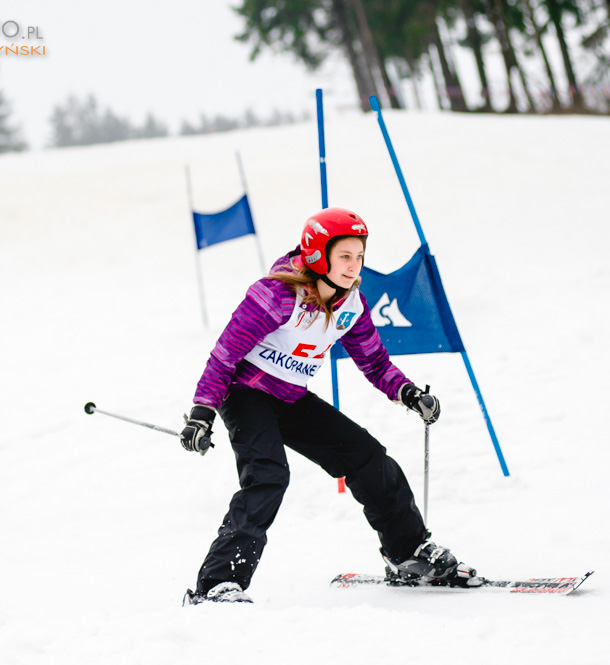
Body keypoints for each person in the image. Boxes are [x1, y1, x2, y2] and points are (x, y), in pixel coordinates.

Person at [180, 207, 477, 605]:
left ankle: (407, 554)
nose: (355, 266)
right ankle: (217, 584)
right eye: (345, 256)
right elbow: (225, 355)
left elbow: (374, 362)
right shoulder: (274, 296)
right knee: (268, 475)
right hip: (246, 392)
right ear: (319, 255)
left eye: (359, 256)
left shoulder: (351, 305)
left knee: (366, 457)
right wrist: (202, 413)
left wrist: (407, 393)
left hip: (290, 395)